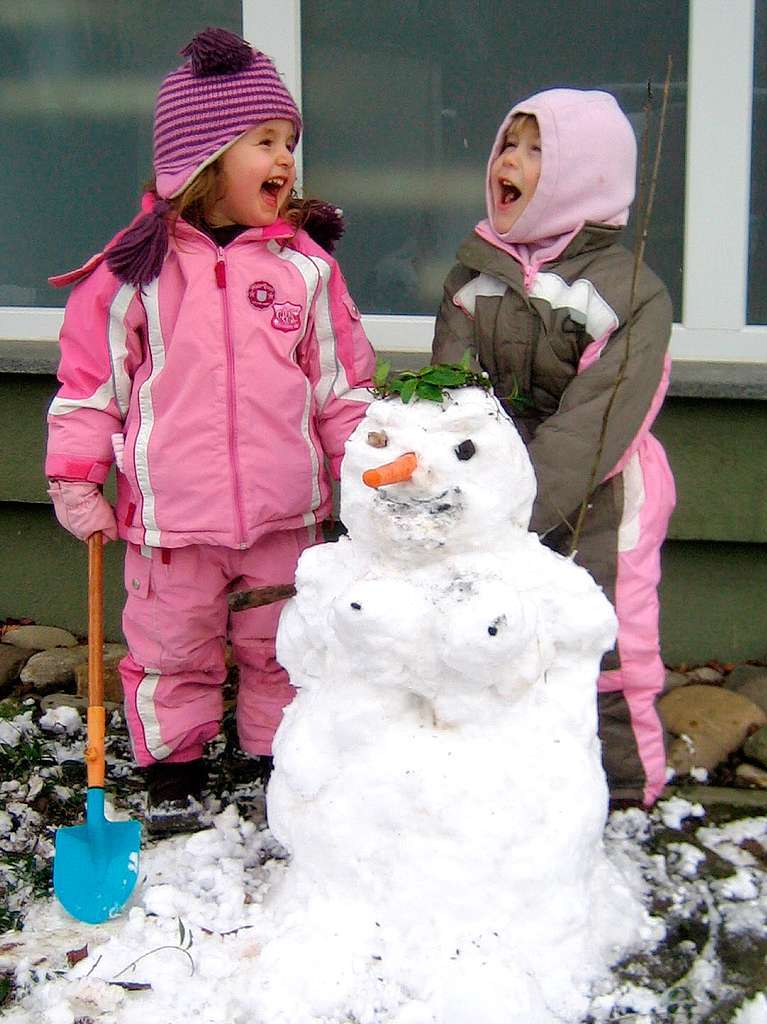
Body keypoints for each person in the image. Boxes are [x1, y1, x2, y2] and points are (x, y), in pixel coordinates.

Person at [45, 27, 376, 830]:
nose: (285, 159)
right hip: (171, 526)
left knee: (281, 648)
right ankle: (174, 773)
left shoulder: (305, 267)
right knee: (169, 651)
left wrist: (365, 468)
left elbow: (341, 386)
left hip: (283, 516)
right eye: (263, 141)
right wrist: (75, 473)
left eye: (289, 143)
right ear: (202, 157)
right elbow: (93, 381)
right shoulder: (138, 271)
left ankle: (276, 760)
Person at [432, 88, 676, 809]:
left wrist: (509, 510)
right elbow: (455, 394)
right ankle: (515, 774)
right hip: (496, 492)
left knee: (603, 635)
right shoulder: (473, 275)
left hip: (603, 490)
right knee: (497, 624)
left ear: (584, 177)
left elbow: (596, 421)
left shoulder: (629, 292)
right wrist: (456, 481)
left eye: (537, 150)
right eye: (509, 143)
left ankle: (627, 787)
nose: (510, 160)